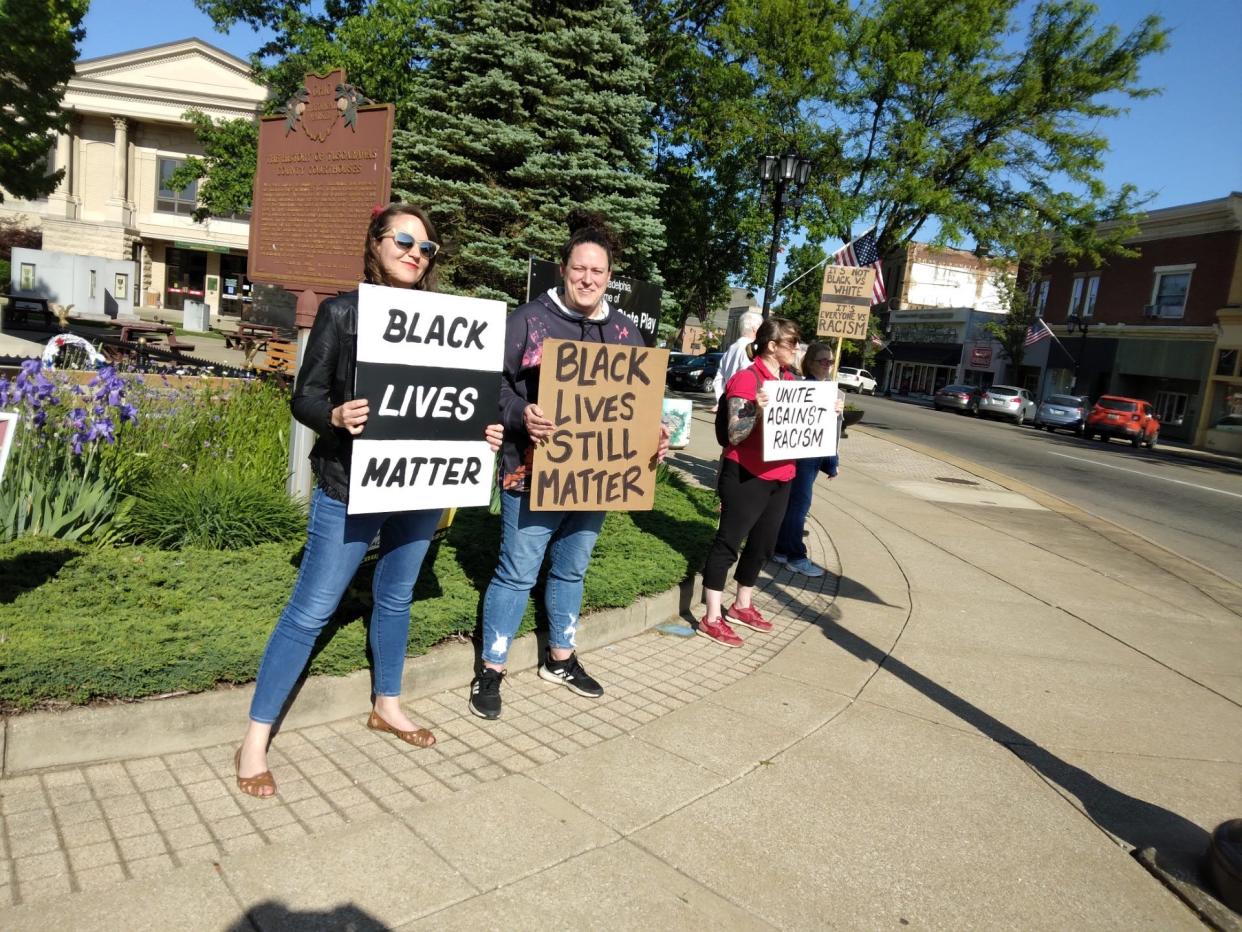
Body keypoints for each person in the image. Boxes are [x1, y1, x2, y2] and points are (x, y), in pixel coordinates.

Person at [234, 204, 503, 797]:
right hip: (351, 483)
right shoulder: (342, 312)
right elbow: (304, 398)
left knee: (397, 595)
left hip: (423, 484)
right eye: (403, 240)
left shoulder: (450, 319)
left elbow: (462, 401)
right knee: (311, 609)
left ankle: (388, 704)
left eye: (425, 247)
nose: (415, 252)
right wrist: (334, 414)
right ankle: (254, 739)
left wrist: (483, 429)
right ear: (376, 245)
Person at [469, 215, 669, 720]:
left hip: (595, 478)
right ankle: (491, 669)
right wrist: (520, 414)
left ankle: (560, 658)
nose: (587, 279)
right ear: (563, 269)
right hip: (532, 475)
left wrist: (652, 438)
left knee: (573, 568)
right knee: (517, 573)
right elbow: (491, 383)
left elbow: (639, 404)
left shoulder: (625, 332)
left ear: (609, 275)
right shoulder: (529, 321)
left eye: (597, 271)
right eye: (579, 268)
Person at [698, 317, 801, 647]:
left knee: (762, 546)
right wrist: (754, 409)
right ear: (772, 346)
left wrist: (832, 411)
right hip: (746, 474)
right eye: (792, 344)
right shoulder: (747, 379)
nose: (797, 350)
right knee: (729, 542)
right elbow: (734, 435)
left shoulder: (789, 380)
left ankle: (742, 604)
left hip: (782, 475)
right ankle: (712, 616)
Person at [773, 342, 844, 577]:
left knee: (795, 505)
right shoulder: (812, 389)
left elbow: (829, 431)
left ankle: (782, 549)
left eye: (830, 361)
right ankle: (795, 555)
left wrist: (831, 462)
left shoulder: (826, 390)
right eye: (822, 361)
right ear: (810, 362)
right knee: (799, 506)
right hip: (804, 456)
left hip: (809, 455)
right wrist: (832, 463)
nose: (827, 365)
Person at [711, 310, 763, 414]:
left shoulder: (731, 348)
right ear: (755, 329)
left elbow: (718, 379)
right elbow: (749, 377)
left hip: (727, 404)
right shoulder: (751, 349)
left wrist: (721, 401)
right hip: (743, 407)